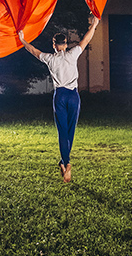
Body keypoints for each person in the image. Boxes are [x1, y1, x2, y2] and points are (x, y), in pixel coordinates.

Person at [17, 15, 100, 182]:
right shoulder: (72, 54)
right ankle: (64, 162)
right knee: (70, 131)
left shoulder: (50, 59)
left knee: (62, 132)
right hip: (73, 96)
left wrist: (22, 40)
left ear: (54, 46)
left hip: (60, 96)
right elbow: (85, 39)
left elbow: (33, 51)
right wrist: (94, 25)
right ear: (66, 45)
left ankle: (66, 162)